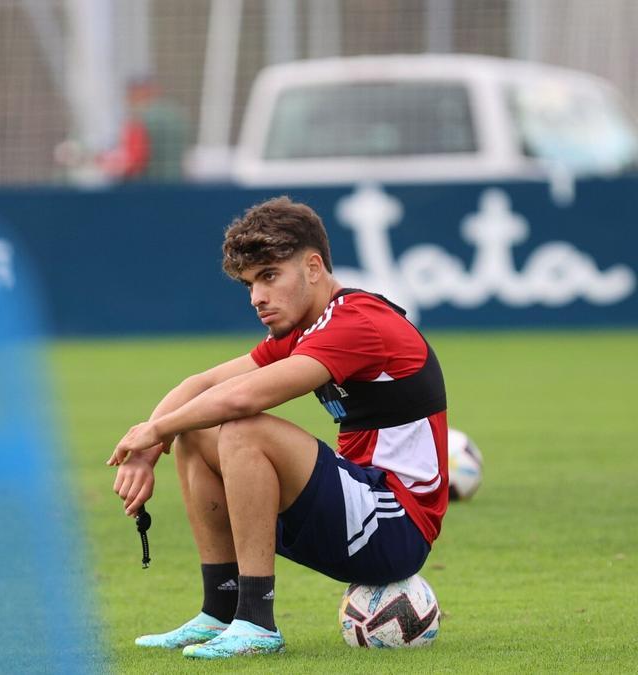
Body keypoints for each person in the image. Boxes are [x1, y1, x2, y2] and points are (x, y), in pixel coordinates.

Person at [106, 196, 448, 659]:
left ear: (313, 267)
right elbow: (202, 383)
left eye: (269, 277)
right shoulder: (304, 330)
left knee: (243, 428)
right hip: (362, 508)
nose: (257, 297)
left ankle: (256, 622)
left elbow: (245, 396)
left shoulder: (357, 322)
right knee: (197, 432)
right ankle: (221, 612)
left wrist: (153, 430)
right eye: (249, 284)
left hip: (397, 525)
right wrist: (154, 441)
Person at [96, 76, 189, 182]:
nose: (128, 100)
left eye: (131, 95)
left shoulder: (138, 120)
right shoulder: (176, 114)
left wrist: (103, 162)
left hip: (149, 186)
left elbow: (135, 159)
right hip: (176, 183)